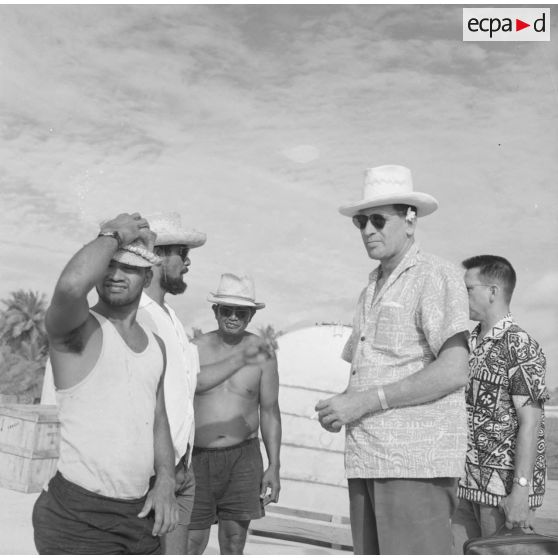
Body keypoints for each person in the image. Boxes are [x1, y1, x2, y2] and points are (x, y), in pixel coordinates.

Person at [315, 164, 470, 555]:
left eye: (379, 220)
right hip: (368, 459)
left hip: (413, 464)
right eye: (361, 221)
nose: (368, 230)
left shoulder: (436, 275)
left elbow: (454, 369)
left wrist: (363, 402)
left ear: (411, 221)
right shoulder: (369, 287)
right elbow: (366, 374)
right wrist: (343, 405)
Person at [32, 212, 178, 554]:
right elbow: (70, 286)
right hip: (78, 517)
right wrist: (114, 234)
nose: (115, 275)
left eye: (128, 267)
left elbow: (157, 420)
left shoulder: (156, 345)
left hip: (140, 515)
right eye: (109, 265)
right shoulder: (77, 330)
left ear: (146, 275)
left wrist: (167, 478)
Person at [451, 255, 548, 553]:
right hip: (463, 486)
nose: (461, 295)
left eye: (468, 288)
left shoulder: (520, 345)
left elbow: (531, 422)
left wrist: (520, 490)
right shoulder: (467, 344)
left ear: (493, 291)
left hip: (504, 494)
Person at [187, 273, 281, 555]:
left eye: (241, 312)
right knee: (191, 542)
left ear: (251, 315)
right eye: (226, 310)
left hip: (243, 458)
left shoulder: (262, 353)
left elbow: (270, 411)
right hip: (197, 457)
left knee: (233, 542)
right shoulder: (194, 349)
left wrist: (274, 465)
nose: (233, 317)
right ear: (215, 311)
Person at [139, 212, 206, 554]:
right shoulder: (138, 314)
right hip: (151, 474)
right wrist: (159, 475)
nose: (188, 262)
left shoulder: (173, 319)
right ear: (157, 256)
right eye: (182, 251)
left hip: (182, 471)